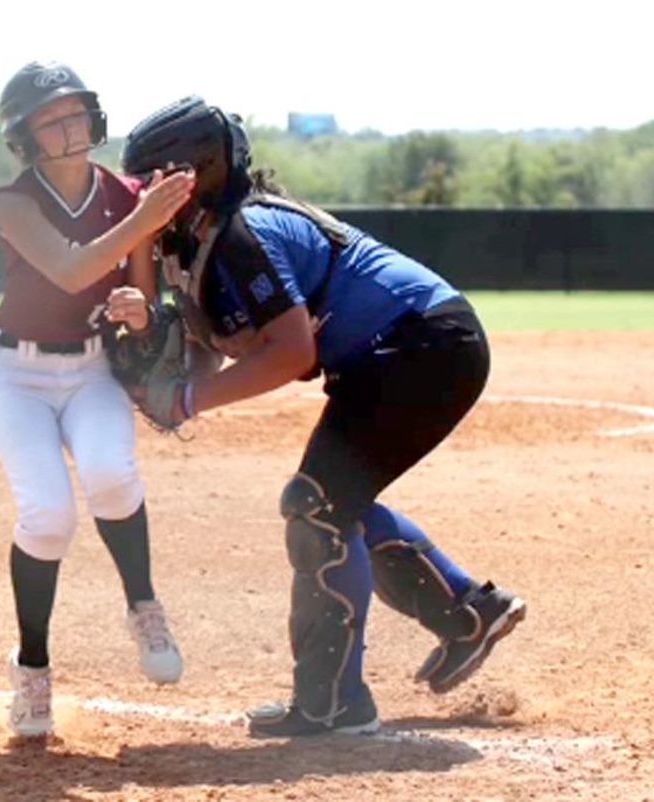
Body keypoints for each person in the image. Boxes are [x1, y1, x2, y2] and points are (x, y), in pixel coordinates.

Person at [121, 96, 527, 738]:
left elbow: (290, 351)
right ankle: (467, 612)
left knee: (315, 506)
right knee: (334, 504)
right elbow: (203, 345)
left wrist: (190, 400)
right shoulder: (193, 244)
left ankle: (334, 702)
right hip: (399, 353)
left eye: (151, 180)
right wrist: (177, 388)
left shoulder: (240, 234)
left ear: (193, 174)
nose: (139, 193)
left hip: (423, 346)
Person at [0, 61, 196, 738]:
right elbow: (73, 267)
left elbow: (144, 300)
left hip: (92, 371)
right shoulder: (13, 202)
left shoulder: (127, 195)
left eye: (75, 112)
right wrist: (143, 218)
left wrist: (140, 308)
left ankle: (143, 606)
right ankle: (33, 670)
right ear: (25, 136)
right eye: (51, 119)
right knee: (47, 515)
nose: (68, 127)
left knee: (110, 474)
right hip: (19, 378)